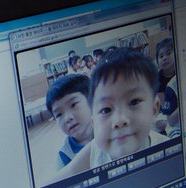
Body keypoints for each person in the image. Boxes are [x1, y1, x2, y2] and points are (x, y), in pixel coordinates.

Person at [51, 48, 168, 181]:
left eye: (134, 102)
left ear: (154, 109)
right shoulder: (94, 151)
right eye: (106, 110)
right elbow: (65, 176)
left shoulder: (167, 147)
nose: (119, 120)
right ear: (94, 122)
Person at [45, 74, 93, 168]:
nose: (67, 118)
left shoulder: (110, 131)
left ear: (91, 100)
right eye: (59, 114)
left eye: (73, 105)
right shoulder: (65, 156)